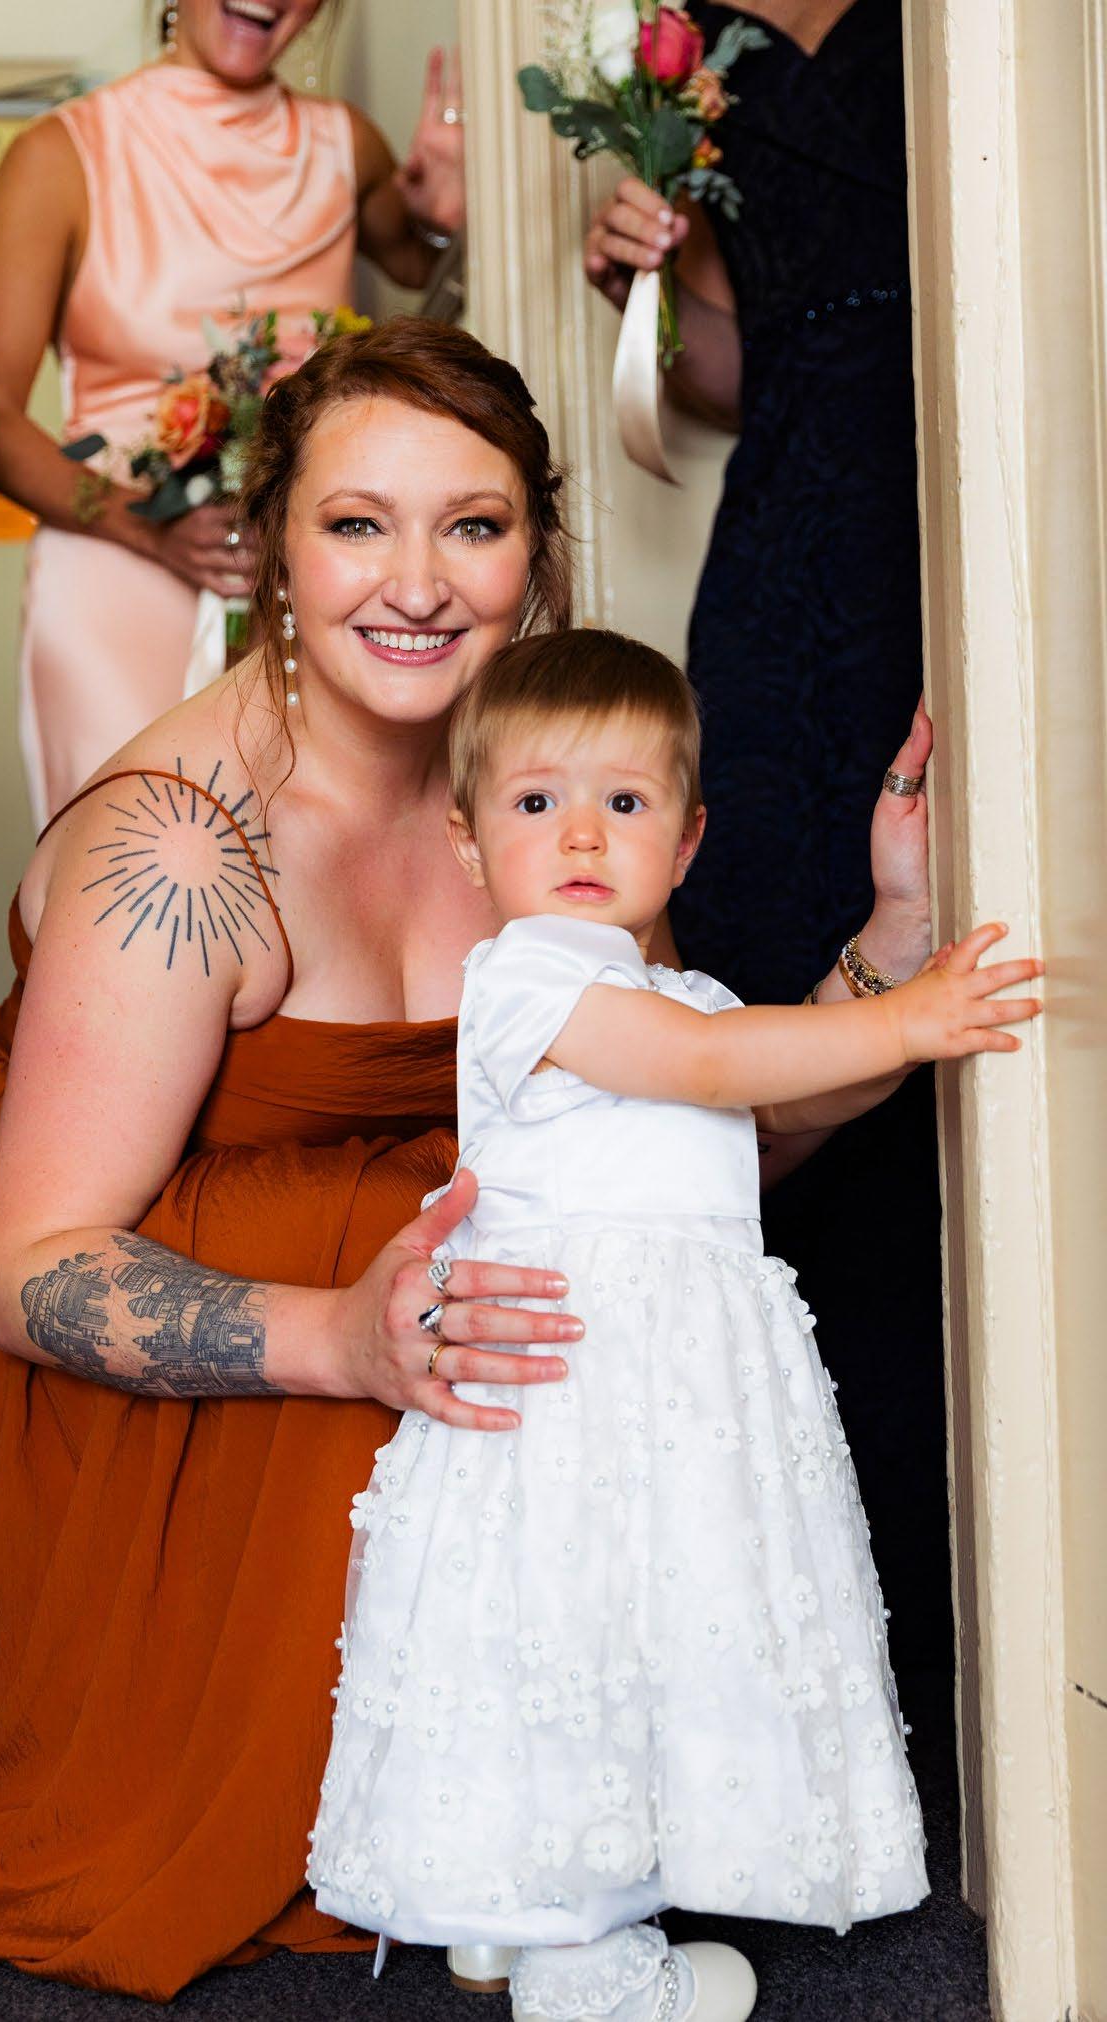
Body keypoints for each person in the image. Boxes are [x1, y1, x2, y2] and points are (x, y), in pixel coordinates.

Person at [0, 320, 935, 2000]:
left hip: (410, 1281)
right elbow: (27, 1266)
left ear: (537, 550)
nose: (416, 583)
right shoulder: (177, 846)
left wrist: (889, 949)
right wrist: (344, 1335)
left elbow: (668, 1164)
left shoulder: (547, 797)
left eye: (472, 526)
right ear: (271, 543)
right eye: (356, 525)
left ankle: (566, 1852)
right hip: (156, 1304)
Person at [309, 630, 1041, 2021]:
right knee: (572, 1638)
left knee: (621, 1643)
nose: (582, 833)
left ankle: (515, 1912)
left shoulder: (675, 990)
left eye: (627, 802)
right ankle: (590, 1971)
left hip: (661, 1392)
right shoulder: (529, 979)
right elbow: (710, 1067)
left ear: (689, 837)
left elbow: (778, 1090)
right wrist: (916, 1021)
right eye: (537, 802)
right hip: (577, 1389)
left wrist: (896, 947)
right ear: (468, 841)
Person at [581, 0, 950, 1675]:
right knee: (774, 936)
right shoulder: (688, 41)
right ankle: (815, 1543)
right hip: (793, 560)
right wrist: (644, 297)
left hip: (966, 497)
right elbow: (738, 377)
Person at [0, 0, 467, 825]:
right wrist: (145, 527)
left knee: (315, 856)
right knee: (131, 858)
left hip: (309, 583)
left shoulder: (346, 145)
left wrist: (447, 220)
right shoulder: (58, 155)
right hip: (120, 576)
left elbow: (422, 272)